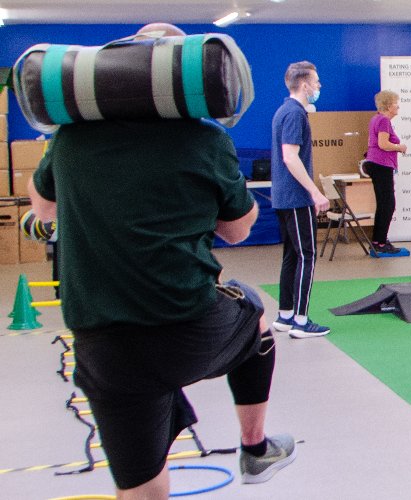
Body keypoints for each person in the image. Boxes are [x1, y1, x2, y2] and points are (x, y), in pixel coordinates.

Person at [29, 22, 297, 500]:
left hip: (104, 348)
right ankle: (255, 449)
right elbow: (237, 230)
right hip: (186, 330)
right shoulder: (204, 139)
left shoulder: (70, 140)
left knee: (141, 490)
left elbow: (44, 210)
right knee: (254, 313)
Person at [269, 60, 332, 338]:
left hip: (283, 197)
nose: (319, 86)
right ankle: (301, 320)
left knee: (292, 255)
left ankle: (285, 315)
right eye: (316, 82)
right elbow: (290, 157)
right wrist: (315, 191)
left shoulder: (284, 110)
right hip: (296, 197)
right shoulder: (295, 114)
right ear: (304, 84)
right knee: (307, 255)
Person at [365, 90, 408, 256]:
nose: (398, 106)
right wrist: (400, 147)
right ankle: (381, 242)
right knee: (388, 204)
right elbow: (383, 144)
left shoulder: (376, 119)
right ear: (389, 106)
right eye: (396, 103)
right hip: (381, 165)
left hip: (377, 164)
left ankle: (378, 240)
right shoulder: (383, 121)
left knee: (384, 204)